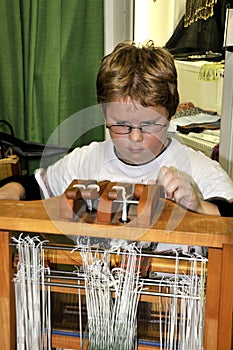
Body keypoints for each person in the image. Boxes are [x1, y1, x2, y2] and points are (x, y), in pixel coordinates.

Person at [0, 41, 233, 219]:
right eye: (122, 125)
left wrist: (200, 206)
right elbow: (35, 187)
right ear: (103, 114)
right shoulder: (84, 162)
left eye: (149, 125)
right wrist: (10, 190)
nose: (135, 138)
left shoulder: (202, 173)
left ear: (170, 113)